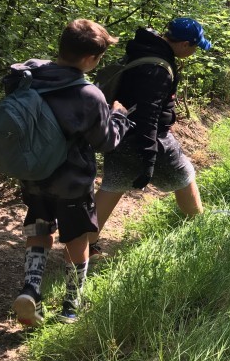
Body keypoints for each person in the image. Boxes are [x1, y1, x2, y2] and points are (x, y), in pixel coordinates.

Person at [10, 19, 132, 326]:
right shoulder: (88, 94)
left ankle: (31, 290)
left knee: (39, 228)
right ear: (90, 59)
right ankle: (70, 307)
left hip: (33, 175)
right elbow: (106, 142)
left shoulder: (29, 77)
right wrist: (119, 116)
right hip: (71, 183)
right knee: (77, 239)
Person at [89, 17, 211, 257]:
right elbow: (148, 115)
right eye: (195, 47)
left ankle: (83, 246)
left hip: (121, 131)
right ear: (184, 44)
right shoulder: (158, 69)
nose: (194, 52)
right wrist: (149, 158)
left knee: (113, 184)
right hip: (149, 138)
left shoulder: (144, 50)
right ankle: (200, 226)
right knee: (185, 174)